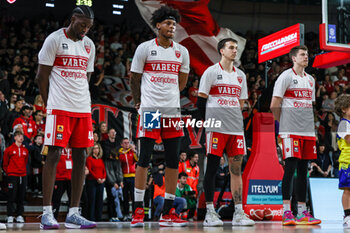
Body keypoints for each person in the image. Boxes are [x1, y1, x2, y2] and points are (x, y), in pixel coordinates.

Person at [36, 5, 96, 229]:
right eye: (82, 25)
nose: (85, 30)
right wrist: (49, 103)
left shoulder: (89, 45)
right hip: (59, 107)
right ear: (72, 19)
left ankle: (73, 213)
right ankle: (46, 213)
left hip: (82, 107)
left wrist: (80, 97)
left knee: (81, 156)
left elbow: (86, 76)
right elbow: (41, 76)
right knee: (53, 155)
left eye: (89, 27)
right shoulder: (54, 39)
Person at [130, 5, 189, 227]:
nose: (172, 27)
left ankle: (168, 211)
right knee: (144, 159)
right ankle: (137, 210)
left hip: (172, 111)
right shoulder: (145, 48)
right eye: (168, 23)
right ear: (158, 25)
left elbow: (182, 83)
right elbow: (134, 78)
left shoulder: (182, 52)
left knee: (173, 160)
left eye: (174, 24)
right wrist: (139, 101)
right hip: (151, 111)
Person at [197, 38, 254, 227]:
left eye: (236, 48)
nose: (234, 50)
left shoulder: (241, 76)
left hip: (235, 129)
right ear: (221, 50)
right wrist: (203, 124)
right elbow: (201, 100)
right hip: (215, 127)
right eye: (231, 47)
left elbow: (241, 102)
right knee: (212, 169)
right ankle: (210, 212)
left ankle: (239, 212)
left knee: (236, 170)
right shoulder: (211, 72)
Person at [270, 45, 321, 226]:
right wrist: (282, 125)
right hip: (290, 131)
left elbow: (309, 106)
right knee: (290, 169)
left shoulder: (310, 80)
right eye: (302, 54)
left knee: (303, 171)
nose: (306, 57)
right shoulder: (286, 76)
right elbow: (274, 104)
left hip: (307, 132)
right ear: (293, 58)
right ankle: (286, 212)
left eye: (307, 54)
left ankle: (302, 211)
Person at [3, 130, 28, 224]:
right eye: (19, 136)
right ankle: (10, 215)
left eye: (22, 136)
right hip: (12, 175)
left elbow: (25, 162)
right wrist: (9, 172)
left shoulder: (25, 150)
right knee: (11, 196)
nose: (21, 138)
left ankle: (19, 215)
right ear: (15, 137)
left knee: (21, 196)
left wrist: (23, 172)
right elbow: (5, 163)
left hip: (23, 175)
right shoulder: (9, 149)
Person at [334, 94, 350, 228]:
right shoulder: (343, 124)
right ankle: (347, 216)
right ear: (344, 109)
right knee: (347, 190)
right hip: (347, 161)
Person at [118, 138, 137, 220]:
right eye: (125, 143)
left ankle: (134, 214)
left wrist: (135, 151)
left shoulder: (132, 152)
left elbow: (137, 159)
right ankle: (125, 214)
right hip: (124, 177)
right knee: (125, 197)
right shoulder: (119, 153)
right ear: (122, 144)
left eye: (128, 143)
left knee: (133, 197)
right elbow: (118, 166)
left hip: (132, 177)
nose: (127, 144)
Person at [86, 143, 106, 221]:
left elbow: (104, 170)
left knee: (100, 200)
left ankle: (99, 217)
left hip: (101, 181)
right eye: (94, 148)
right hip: (92, 181)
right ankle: (91, 217)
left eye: (97, 148)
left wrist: (104, 178)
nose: (96, 150)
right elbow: (90, 170)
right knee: (92, 199)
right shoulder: (89, 159)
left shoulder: (100, 160)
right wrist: (97, 178)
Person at [52, 148, 72, 219]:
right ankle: (54, 217)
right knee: (56, 199)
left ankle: (71, 217)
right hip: (59, 178)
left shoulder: (73, 149)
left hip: (70, 178)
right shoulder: (59, 148)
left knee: (72, 200)